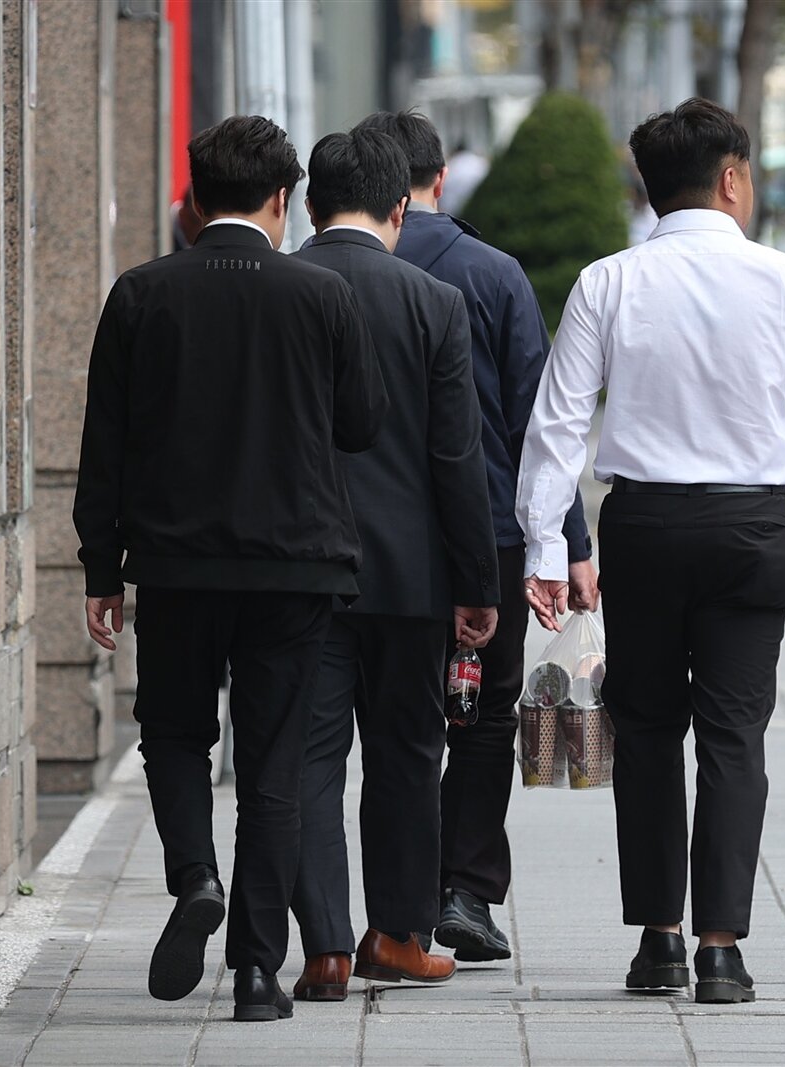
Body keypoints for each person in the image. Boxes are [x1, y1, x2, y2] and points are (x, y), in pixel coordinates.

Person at [516, 98, 785, 1005]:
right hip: (752, 528)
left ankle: (661, 939)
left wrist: (542, 543)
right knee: (734, 734)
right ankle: (722, 947)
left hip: (644, 527)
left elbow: (558, 424)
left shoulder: (607, 282)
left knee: (646, 731)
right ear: (731, 179)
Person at [72, 115, 387, 1023]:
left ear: (194, 200)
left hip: (176, 565)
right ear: (282, 200)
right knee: (274, 764)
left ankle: (195, 876)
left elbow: (104, 447)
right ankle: (255, 972)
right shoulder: (322, 295)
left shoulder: (141, 293)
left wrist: (101, 567)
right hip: (297, 567)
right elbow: (361, 423)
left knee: (174, 733)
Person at [354, 109, 597, 965]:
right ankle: (466, 889)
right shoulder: (494, 273)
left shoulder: (329, 270)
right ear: (439, 178)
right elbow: (542, 422)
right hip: (488, 535)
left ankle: (398, 908)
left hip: (367, 540)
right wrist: (569, 540)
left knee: (393, 723)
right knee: (486, 715)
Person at [287, 129, 501, 999]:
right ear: (402, 208)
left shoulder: (282, 288)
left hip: (299, 570)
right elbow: (457, 456)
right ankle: (397, 933)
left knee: (307, 755)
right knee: (408, 753)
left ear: (309, 205)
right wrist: (476, 584)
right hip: (410, 577)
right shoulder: (432, 301)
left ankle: (324, 946)